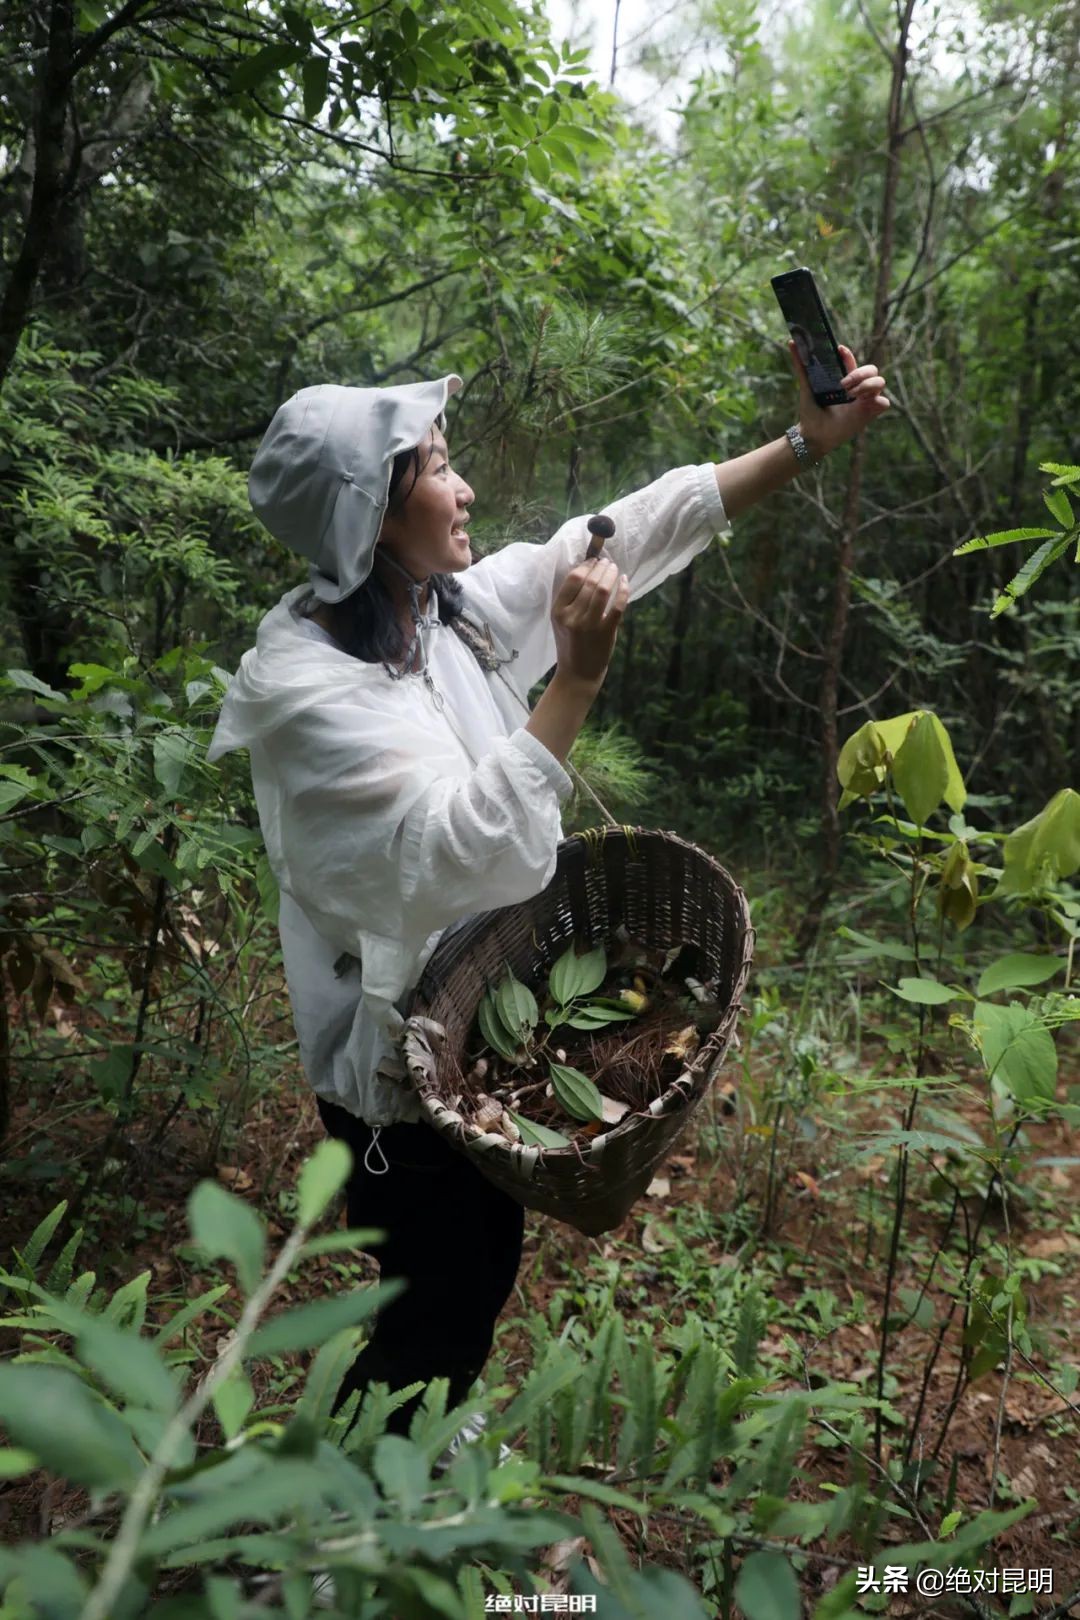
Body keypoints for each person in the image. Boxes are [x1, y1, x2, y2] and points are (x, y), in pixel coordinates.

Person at [206, 345, 889, 1447]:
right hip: (395, 1075)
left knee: (477, 1272)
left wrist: (806, 442)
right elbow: (461, 848)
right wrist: (574, 681)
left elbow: (616, 531)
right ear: (375, 515)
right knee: (430, 1307)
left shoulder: (441, 608)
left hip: (473, 1024)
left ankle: (428, 1436)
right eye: (435, 465)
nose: (463, 484)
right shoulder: (310, 694)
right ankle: (354, 1536)